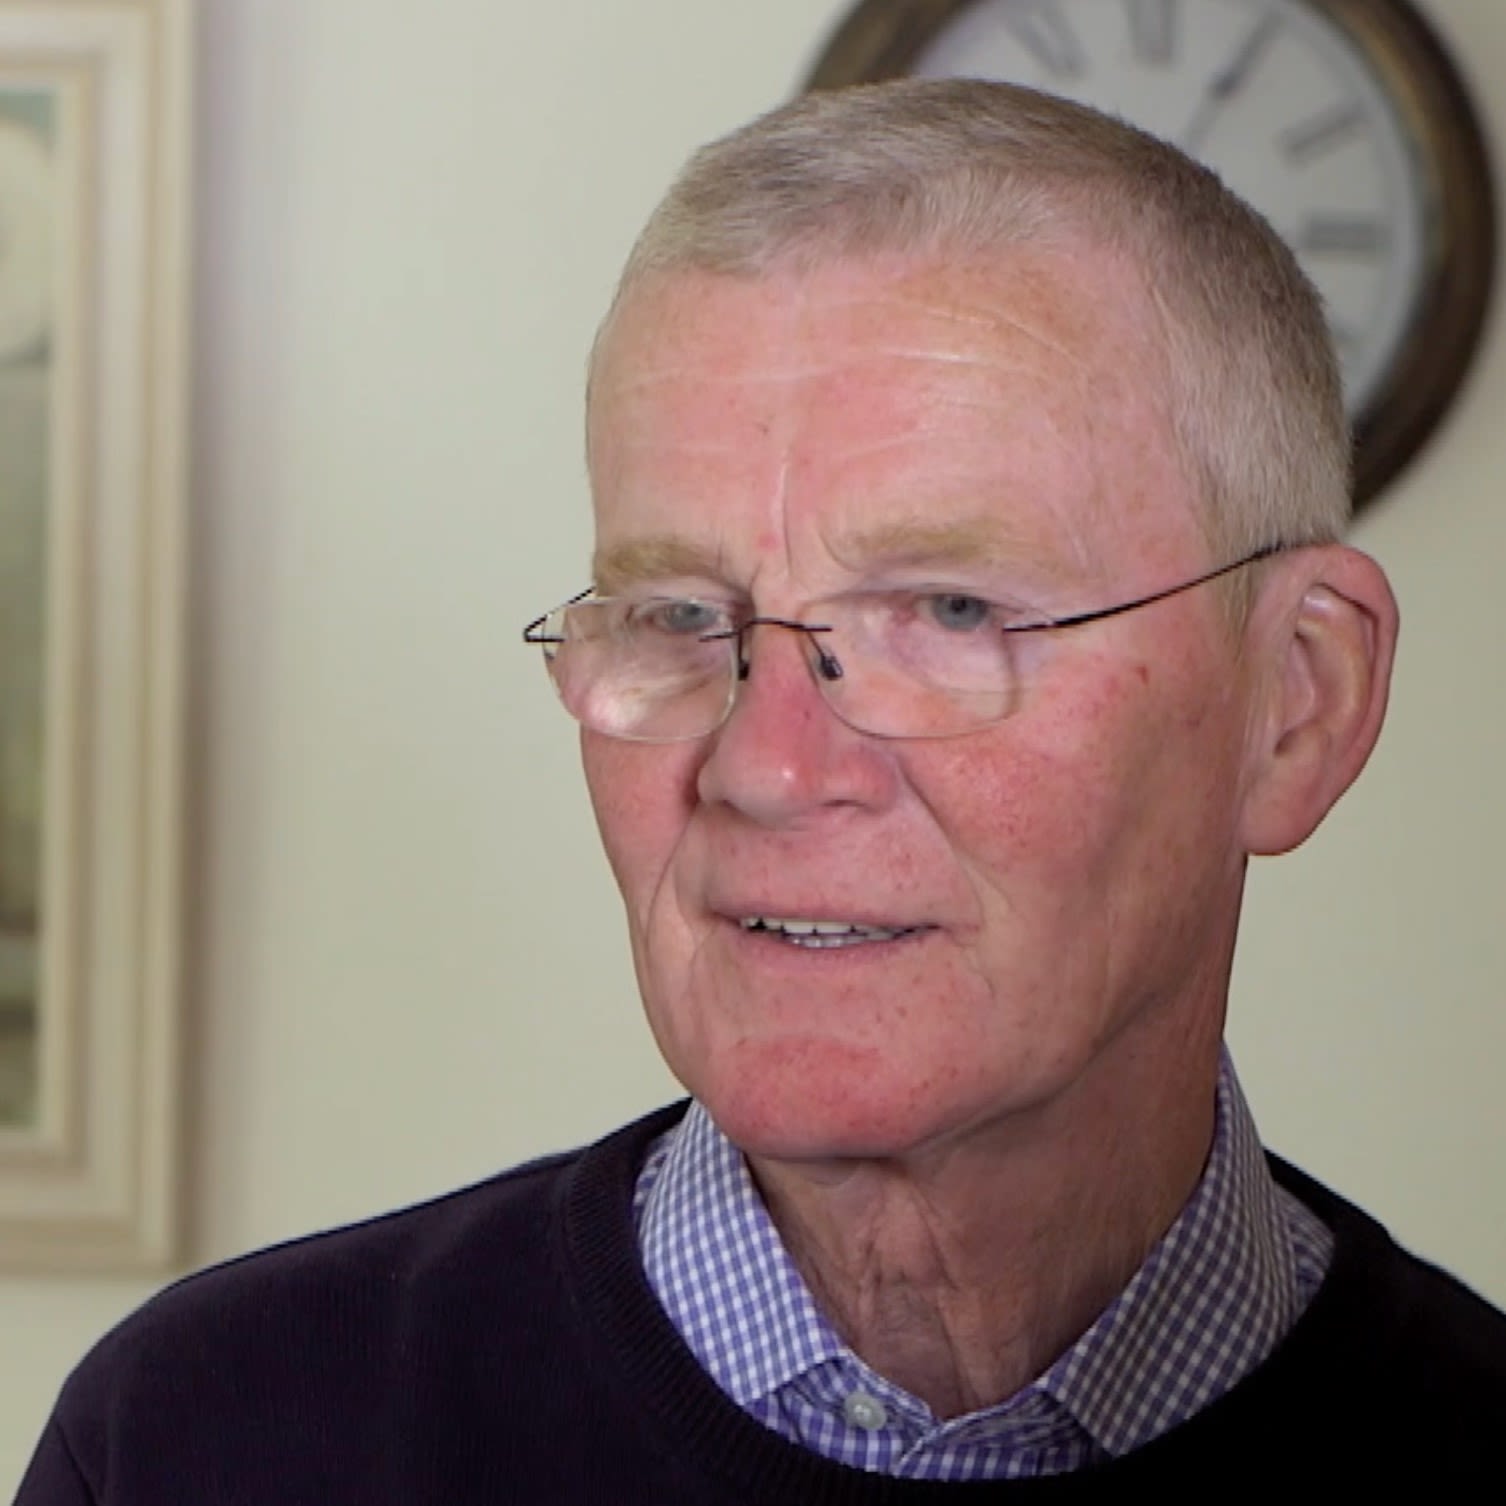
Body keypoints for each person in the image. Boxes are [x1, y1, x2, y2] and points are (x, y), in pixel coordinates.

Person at [17, 78, 1506, 1502]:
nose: (769, 765)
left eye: (947, 613)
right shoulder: (199, 1444)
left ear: (1295, 703)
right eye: (675, 617)